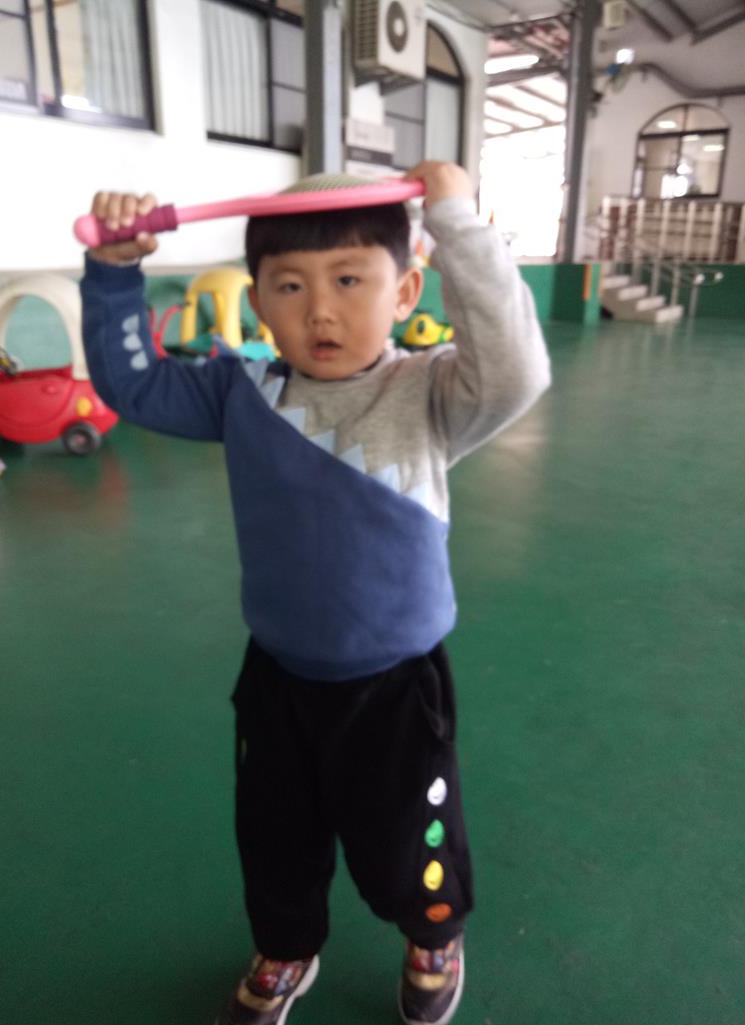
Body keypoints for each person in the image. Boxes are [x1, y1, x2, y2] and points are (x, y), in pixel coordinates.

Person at [79, 161, 551, 1025]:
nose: (319, 311)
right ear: (259, 300)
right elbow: (133, 385)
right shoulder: (240, 390)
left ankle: (433, 935)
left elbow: (516, 370)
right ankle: (286, 947)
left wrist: (455, 222)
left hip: (396, 689)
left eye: (348, 280)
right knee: (275, 840)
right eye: (289, 286)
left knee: (410, 841)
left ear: (404, 290)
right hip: (279, 678)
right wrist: (114, 272)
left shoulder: (431, 391)